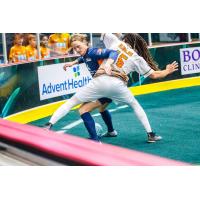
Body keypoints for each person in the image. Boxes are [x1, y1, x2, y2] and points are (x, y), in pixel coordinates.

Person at [44, 33, 178, 143]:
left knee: (73, 103)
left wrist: (117, 37)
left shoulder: (115, 41)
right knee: (134, 105)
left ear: (125, 39)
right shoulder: (137, 58)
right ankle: (150, 134)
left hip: (101, 81)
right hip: (118, 86)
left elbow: (104, 34)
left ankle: (49, 125)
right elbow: (155, 75)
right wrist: (167, 71)